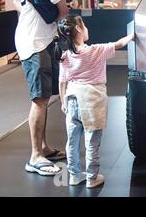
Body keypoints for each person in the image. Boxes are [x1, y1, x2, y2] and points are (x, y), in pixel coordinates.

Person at [14, 0, 84, 176]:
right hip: (34, 43)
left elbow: (18, 3)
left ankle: (43, 147)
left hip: (37, 40)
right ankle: (35, 156)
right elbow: (63, 13)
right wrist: (79, 39)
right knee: (40, 99)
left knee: (44, 97)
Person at [56, 15, 134, 188]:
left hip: (72, 99)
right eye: (85, 25)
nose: (87, 28)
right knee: (92, 141)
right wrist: (132, 35)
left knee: (72, 140)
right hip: (91, 100)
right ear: (78, 29)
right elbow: (119, 44)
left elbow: (62, 82)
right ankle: (92, 177)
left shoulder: (65, 55)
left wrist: (63, 102)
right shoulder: (95, 50)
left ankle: (74, 175)